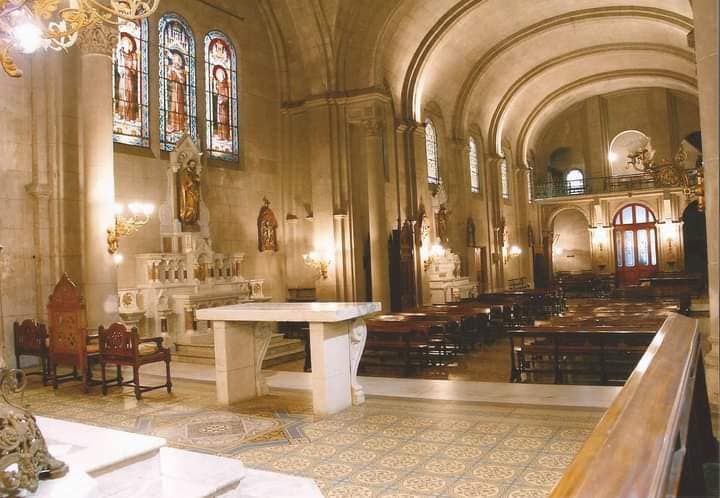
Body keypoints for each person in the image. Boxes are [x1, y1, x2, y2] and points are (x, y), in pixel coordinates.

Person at [116, 33, 138, 123]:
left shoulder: (133, 55)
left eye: (127, 43)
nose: (125, 44)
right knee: (123, 94)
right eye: (123, 43)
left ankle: (130, 115)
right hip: (123, 77)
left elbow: (134, 68)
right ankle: (122, 114)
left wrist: (130, 70)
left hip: (130, 77)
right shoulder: (121, 53)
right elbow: (119, 63)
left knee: (130, 95)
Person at [167, 52, 187, 133]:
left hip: (180, 91)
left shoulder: (182, 71)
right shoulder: (172, 69)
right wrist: (170, 69)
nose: (176, 62)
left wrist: (176, 71)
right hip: (173, 91)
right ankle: (173, 125)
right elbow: (169, 77)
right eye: (174, 60)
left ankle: (180, 126)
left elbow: (182, 80)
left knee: (179, 108)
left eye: (178, 60)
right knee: (173, 108)